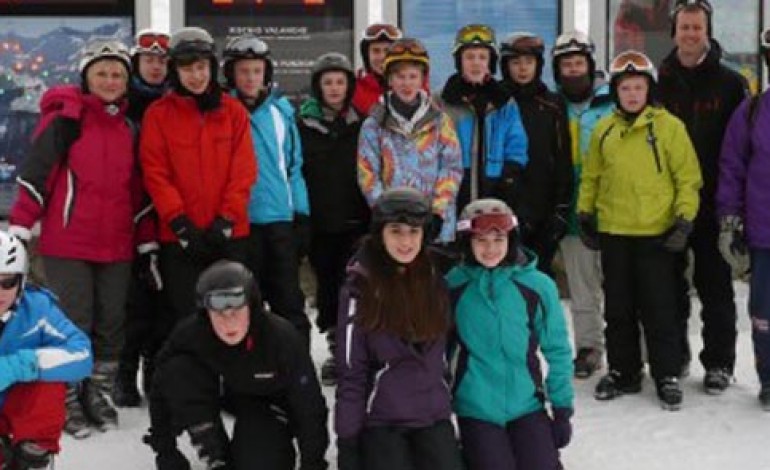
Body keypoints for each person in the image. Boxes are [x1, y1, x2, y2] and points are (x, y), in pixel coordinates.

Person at [9, 39, 152, 437]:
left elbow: (137, 192)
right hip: (69, 243)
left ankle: (98, 393)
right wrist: (20, 228)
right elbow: (36, 178)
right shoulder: (66, 121)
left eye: (118, 74)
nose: (110, 80)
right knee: (74, 322)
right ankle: (68, 399)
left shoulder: (129, 128)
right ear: (87, 76)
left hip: (117, 245)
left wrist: (146, 239)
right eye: (102, 72)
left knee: (111, 323)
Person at [578, 50, 702, 410]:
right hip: (615, 233)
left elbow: (688, 178)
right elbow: (591, 176)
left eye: (638, 87)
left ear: (650, 90)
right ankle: (624, 371)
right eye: (625, 88)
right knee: (618, 308)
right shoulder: (605, 129)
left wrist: (684, 219)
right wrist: (585, 213)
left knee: (660, 308)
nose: (632, 94)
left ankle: (666, 374)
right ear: (615, 91)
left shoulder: (669, 127)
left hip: (657, 235)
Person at [145, 260, 329, 470]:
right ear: (206, 313)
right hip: (219, 391)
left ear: (252, 307)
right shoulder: (190, 334)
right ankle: (214, 452)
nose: (228, 321)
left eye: (236, 310)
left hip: (265, 402)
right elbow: (161, 383)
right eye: (219, 312)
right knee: (179, 369)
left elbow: (310, 409)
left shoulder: (281, 339)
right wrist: (165, 450)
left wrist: (313, 464)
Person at [335, 187, 463, 470]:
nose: (405, 242)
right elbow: (351, 370)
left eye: (413, 232)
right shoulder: (360, 287)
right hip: (384, 419)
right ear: (380, 233)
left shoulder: (435, 278)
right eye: (396, 231)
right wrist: (348, 442)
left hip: (432, 415)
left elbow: (449, 351)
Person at [140, 27, 257, 333]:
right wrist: (179, 223)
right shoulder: (158, 115)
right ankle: (191, 379)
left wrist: (227, 219)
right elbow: (156, 172)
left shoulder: (233, 112)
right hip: (181, 237)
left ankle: (234, 379)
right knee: (186, 317)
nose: (196, 76)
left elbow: (243, 170)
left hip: (229, 234)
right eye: (187, 68)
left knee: (233, 313)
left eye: (202, 67)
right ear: (175, 71)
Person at [657, 0, 748, 392]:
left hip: (713, 203)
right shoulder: (658, 80)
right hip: (669, 205)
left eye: (697, 27)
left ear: (707, 31)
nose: (691, 34)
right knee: (670, 289)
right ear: (674, 31)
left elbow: (743, 147)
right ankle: (676, 357)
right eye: (684, 27)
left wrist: (736, 206)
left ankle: (719, 363)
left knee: (716, 289)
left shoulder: (731, 83)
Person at [446, 198, 574, 469]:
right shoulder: (453, 287)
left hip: (526, 404)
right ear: (467, 242)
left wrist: (562, 408)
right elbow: (437, 352)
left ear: (511, 238)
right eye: (481, 240)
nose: (490, 248)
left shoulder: (537, 286)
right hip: (476, 407)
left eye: (498, 239)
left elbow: (558, 349)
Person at [221, 34, 311, 344]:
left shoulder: (281, 112)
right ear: (231, 73)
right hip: (241, 222)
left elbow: (293, 166)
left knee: (288, 299)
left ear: (266, 73)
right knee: (245, 298)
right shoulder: (223, 111)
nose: (250, 78)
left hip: (278, 219)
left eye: (257, 71)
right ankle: (248, 364)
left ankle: (297, 367)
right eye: (243, 71)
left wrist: (301, 213)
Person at [298, 52, 369, 385]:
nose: (335, 88)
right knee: (327, 287)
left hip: (356, 219)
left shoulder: (363, 122)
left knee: (354, 286)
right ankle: (333, 344)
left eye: (340, 82)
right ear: (318, 87)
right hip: (321, 221)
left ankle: (355, 348)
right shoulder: (303, 124)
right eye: (328, 82)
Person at [0, 231, 92, 469]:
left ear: (21, 282)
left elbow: (81, 354)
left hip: (19, 406)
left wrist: (16, 366)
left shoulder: (37, 308)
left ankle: (33, 453)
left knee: (50, 376)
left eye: (7, 281)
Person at [357, 38, 463, 245]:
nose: (407, 83)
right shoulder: (375, 124)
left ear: (422, 78)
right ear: (389, 80)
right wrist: (385, 211)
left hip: (434, 225)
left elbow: (452, 168)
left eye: (413, 76)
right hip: (394, 226)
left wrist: (438, 211)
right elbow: (367, 173)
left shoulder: (440, 120)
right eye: (400, 76)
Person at [113, 28, 170, 408]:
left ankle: (155, 369)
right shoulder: (121, 103)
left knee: (164, 299)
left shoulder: (175, 101)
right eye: (148, 60)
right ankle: (123, 372)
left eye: (162, 61)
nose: (155, 66)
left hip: (165, 210)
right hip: (125, 211)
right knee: (132, 302)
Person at [551, 30, 614, 378]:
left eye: (579, 63)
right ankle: (589, 348)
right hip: (573, 211)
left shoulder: (614, 100)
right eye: (566, 65)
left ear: (590, 65)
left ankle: (630, 347)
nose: (574, 70)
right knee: (582, 288)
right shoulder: (551, 105)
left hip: (615, 210)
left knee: (622, 285)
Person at [716, 27, 770, 410]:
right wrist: (730, 220)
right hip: (763, 231)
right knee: (765, 314)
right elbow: (732, 167)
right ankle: (769, 379)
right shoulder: (751, 111)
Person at [499, 32, 574, 277]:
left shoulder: (553, 104)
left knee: (537, 282)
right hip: (503, 206)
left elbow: (563, 158)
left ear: (538, 65)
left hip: (544, 210)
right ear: (505, 66)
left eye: (528, 62)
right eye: (516, 63)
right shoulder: (496, 101)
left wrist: (561, 209)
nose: (522, 69)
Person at [437, 24, 529, 223]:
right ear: (459, 61)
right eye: (469, 57)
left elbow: (517, 144)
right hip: (454, 187)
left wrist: (509, 176)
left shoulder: (504, 103)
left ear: (491, 62)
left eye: (482, 57)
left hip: (494, 185)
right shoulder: (443, 102)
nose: (476, 63)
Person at [352, 23, 403, 115]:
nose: (382, 57)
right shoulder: (353, 87)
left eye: (387, 51)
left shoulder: (414, 85)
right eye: (376, 51)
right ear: (367, 55)